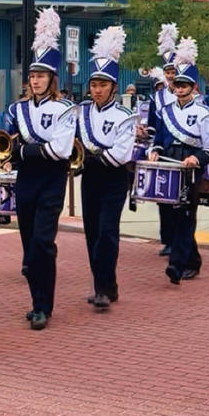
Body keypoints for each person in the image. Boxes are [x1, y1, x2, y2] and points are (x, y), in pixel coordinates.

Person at [5, 8, 77, 330]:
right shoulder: (17, 108)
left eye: (42, 76)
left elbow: (58, 150)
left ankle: (42, 306)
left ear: (52, 79)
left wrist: (21, 149)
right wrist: (13, 150)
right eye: (32, 76)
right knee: (28, 244)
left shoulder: (65, 109)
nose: (35, 81)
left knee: (42, 243)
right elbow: (10, 142)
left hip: (51, 181)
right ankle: (37, 299)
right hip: (26, 181)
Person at [148, 36, 209, 285]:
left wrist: (195, 158)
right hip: (168, 165)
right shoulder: (166, 111)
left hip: (190, 167)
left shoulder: (204, 114)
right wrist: (155, 150)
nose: (178, 89)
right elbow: (159, 137)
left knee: (186, 214)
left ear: (193, 87)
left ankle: (176, 266)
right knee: (172, 213)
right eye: (176, 85)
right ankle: (193, 260)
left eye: (183, 85)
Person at [78, 27, 135, 309]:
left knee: (107, 231)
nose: (97, 90)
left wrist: (86, 157)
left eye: (103, 85)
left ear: (114, 86)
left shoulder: (125, 115)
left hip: (113, 178)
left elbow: (120, 154)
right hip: (89, 178)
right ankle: (106, 284)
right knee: (91, 232)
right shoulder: (81, 111)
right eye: (93, 85)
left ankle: (103, 287)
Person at [148, 23, 179, 257]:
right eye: (168, 72)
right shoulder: (157, 97)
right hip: (164, 151)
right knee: (163, 197)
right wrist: (152, 147)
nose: (170, 76)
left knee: (183, 201)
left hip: (184, 153)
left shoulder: (192, 95)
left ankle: (182, 241)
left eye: (174, 71)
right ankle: (167, 239)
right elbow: (152, 127)